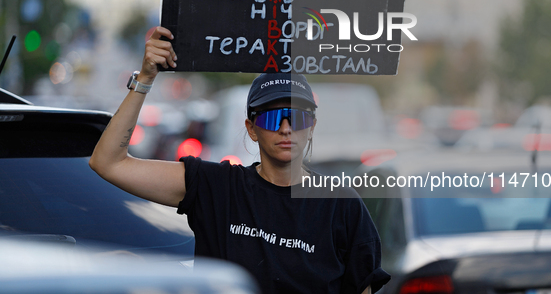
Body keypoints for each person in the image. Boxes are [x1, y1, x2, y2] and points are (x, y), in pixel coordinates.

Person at [89, 26, 390, 294]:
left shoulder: (343, 207)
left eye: (297, 117)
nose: (286, 128)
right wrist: (145, 77)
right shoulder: (217, 187)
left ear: (311, 127)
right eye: (273, 117)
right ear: (252, 128)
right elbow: (108, 163)